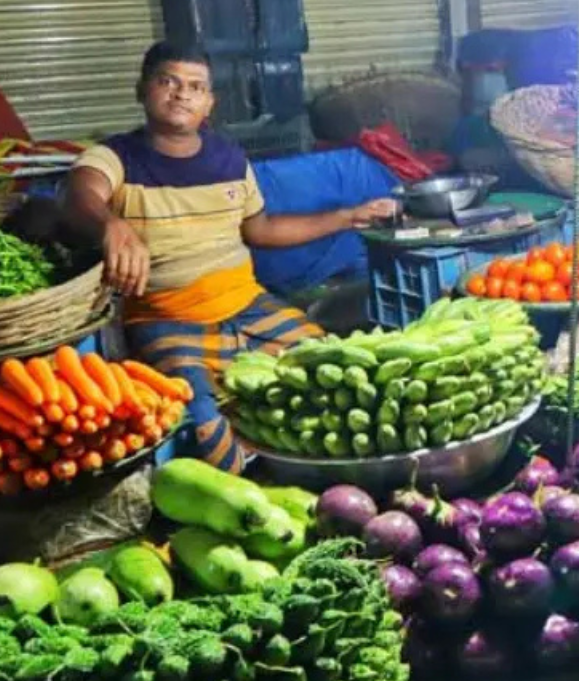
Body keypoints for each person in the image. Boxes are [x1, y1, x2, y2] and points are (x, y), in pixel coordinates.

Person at [65, 41, 398, 473]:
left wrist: (348, 216)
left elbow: (261, 230)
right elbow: (80, 193)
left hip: (248, 304)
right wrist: (109, 223)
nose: (182, 94)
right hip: (166, 318)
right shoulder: (115, 157)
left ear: (209, 103)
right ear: (142, 90)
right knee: (201, 421)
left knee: (331, 370)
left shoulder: (228, 159)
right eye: (168, 81)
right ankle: (255, 492)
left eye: (196, 87)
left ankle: (324, 476)